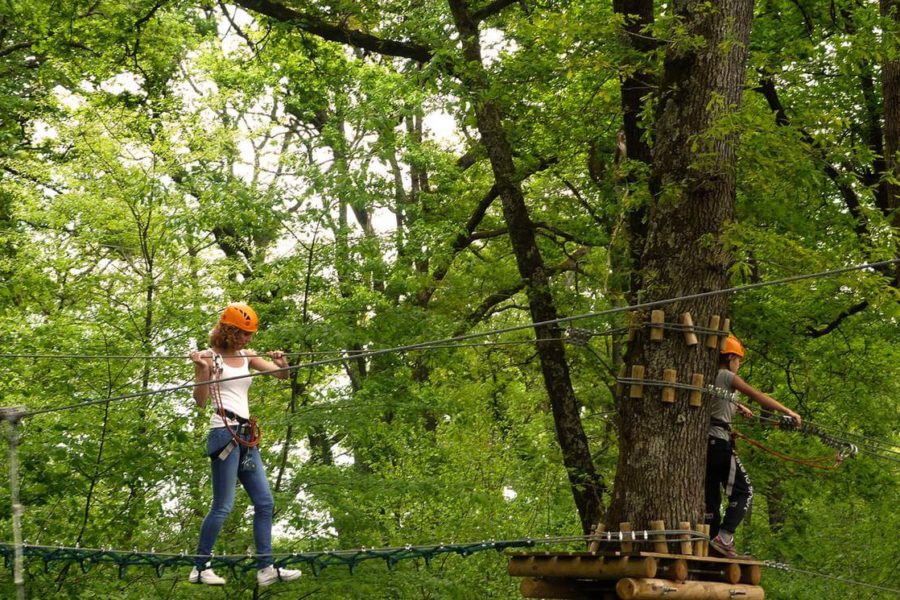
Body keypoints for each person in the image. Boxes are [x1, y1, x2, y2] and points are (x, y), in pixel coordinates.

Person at [187, 302, 301, 586]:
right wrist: (201, 370)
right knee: (223, 505)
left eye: (250, 334)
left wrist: (283, 363)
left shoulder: (248, 355)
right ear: (230, 331)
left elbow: (280, 375)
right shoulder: (210, 357)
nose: (249, 339)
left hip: (247, 435)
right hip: (224, 433)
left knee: (265, 502)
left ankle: (266, 568)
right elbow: (200, 402)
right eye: (244, 333)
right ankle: (200, 568)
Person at [705, 335, 802, 558]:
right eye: (738, 360)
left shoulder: (707, 375)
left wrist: (736, 405)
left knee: (711, 497)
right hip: (719, 442)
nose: (738, 365)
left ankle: (710, 541)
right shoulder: (727, 376)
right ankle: (725, 537)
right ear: (730, 358)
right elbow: (757, 395)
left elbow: (717, 399)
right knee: (744, 490)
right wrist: (788, 412)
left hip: (704, 446)